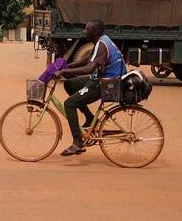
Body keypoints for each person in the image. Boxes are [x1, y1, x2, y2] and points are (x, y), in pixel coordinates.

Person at [54, 19, 127, 156]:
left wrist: (63, 72)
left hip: (107, 83)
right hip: (102, 78)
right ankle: (89, 117)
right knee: (69, 84)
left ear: (96, 31)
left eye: (88, 29)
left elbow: (89, 68)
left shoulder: (102, 45)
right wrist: (67, 66)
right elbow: (87, 60)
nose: (85, 32)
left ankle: (77, 143)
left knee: (69, 104)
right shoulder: (101, 41)